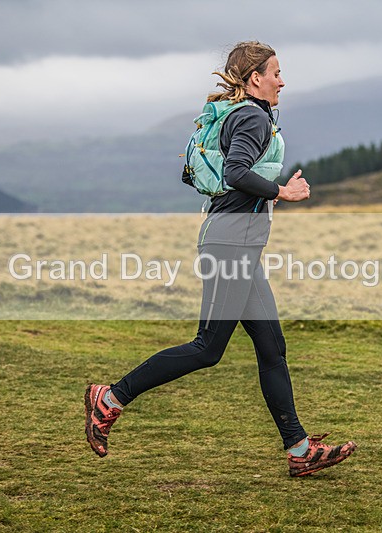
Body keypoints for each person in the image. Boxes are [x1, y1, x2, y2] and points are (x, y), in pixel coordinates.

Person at [85, 41, 356, 477]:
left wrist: (273, 192)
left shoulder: (251, 115)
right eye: (275, 73)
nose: (282, 81)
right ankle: (110, 399)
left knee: (272, 348)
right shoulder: (251, 116)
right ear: (255, 78)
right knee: (208, 347)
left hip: (240, 246)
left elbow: (239, 174)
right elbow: (235, 173)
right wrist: (282, 191)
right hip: (230, 246)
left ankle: (299, 450)